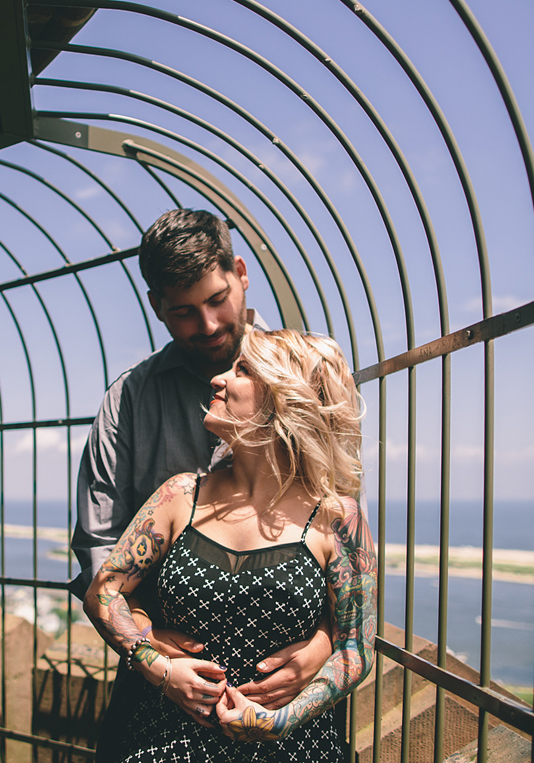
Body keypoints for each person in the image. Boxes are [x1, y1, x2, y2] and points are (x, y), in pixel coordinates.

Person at [71, 210, 333, 716]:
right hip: (160, 691)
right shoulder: (129, 401)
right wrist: (145, 640)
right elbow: (97, 548)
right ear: (157, 307)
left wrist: (322, 645)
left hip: (286, 694)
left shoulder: (302, 375)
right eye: (185, 312)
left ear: (240, 272)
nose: (209, 325)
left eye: (217, 300)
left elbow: (337, 524)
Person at [84, 329, 378, 763]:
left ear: (283, 398)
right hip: (166, 742)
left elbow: (357, 646)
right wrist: (162, 671)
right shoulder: (180, 496)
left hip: (293, 749)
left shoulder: (338, 518)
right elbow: (104, 592)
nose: (218, 379)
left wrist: (281, 720)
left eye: (242, 370)